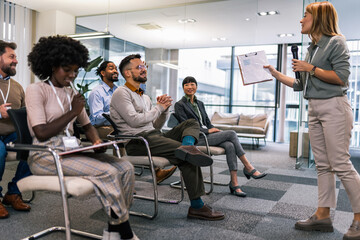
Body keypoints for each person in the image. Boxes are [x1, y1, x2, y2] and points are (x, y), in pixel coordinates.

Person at [264, 2, 360, 239]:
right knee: (323, 165)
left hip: (334, 107)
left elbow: (341, 78)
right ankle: (323, 215)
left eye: (305, 15)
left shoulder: (336, 41)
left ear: (318, 18)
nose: (301, 20)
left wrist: (311, 68)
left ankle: (359, 218)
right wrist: (276, 75)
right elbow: (300, 84)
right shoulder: (312, 48)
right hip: (314, 108)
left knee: (341, 164)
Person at [26, 36, 137, 240]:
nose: (72, 75)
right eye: (67, 69)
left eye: (75, 70)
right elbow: (40, 132)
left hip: (72, 150)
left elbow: (87, 126)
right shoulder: (36, 90)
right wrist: (72, 112)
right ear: (52, 65)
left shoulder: (71, 93)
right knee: (108, 172)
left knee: (126, 168)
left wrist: (95, 141)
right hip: (46, 155)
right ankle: (124, 231)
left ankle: (114, 227)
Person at [110, 54, 225, 221]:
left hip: (153, 135)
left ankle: (187, 146)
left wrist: (164, 111)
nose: (144, 70)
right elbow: (134, 122)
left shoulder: (144, 96)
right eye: (139, 67)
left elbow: (155, 126)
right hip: (137, 141)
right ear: (127, 73)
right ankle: (197, 206)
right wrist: (158, 107)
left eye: (144, 67)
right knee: (187, 157)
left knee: (191, 123)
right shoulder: (121, 93)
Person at [175, 76, 267, 197]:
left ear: (196, 87)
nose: (189, 87)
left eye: (192, 84)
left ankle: (234, 183)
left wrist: (214, 129)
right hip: (195, 138)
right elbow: (185, 126)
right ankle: (248, 167)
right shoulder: (180, 105)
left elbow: (207, 122)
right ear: (183, 88)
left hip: (206, 135)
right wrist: (208, 131)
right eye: (186, 85)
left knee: (229, 145)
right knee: (232, 133)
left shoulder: (200, 104)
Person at [88, 61, 176, 184]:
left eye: (116, 69)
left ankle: (154, 170)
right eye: (111, 68)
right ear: (102, 73)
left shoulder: (121, 90)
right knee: (124, 134)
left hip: (119, 123)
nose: (115, 71)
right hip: (101, 127)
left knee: (139, 129)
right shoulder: (97, 92)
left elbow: (138, 94)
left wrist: (142, 72)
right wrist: (119, 112)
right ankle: (122, 176)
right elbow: (96, 117)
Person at [0, 40, 31, 219]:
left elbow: (26, 113)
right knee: (0, 151)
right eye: (11, 56)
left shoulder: (18, 87)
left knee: (36, 145)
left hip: (12, 134)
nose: (16, 61)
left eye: (16, 57)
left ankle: (13, 192)